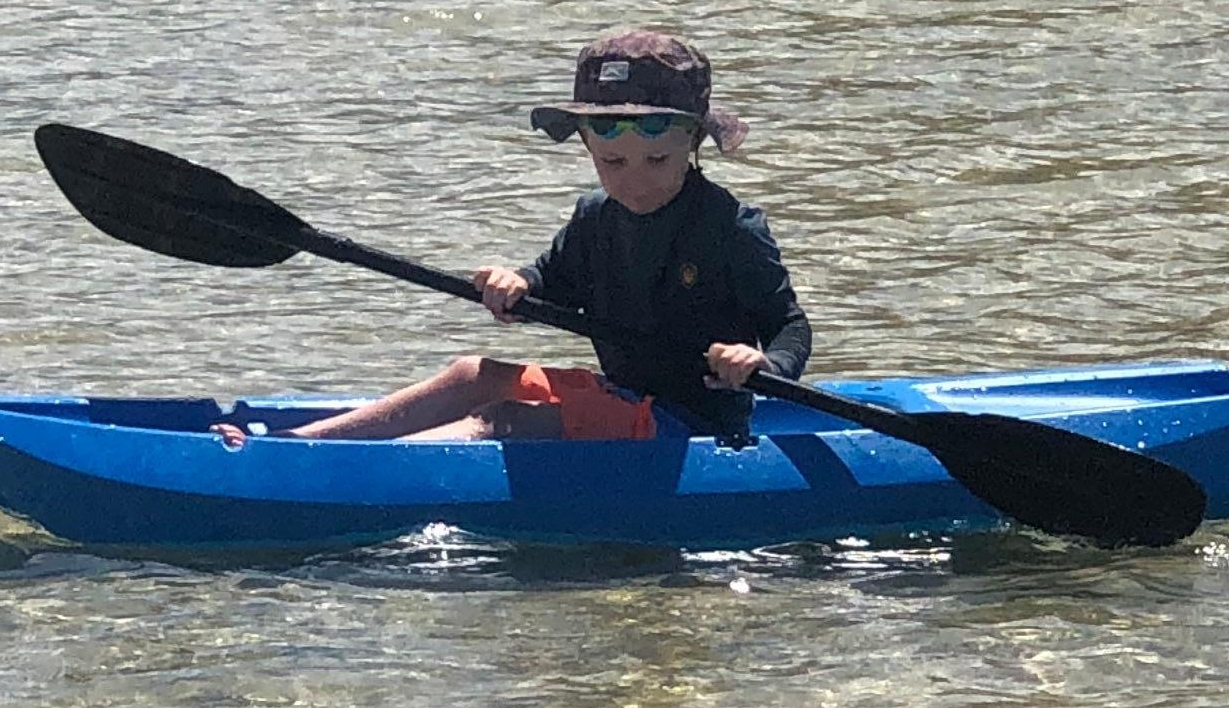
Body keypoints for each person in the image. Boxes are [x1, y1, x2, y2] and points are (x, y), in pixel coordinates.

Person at [229, 29, 810, 446]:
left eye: (656, 159)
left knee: (505, 417)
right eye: (612, 161)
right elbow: (549, 282)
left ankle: (335, 472)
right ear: (587, 147)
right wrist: (516, 283)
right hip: (621, 398)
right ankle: (297, 443)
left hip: (693, 424)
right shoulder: (594, 219)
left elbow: (791, 326)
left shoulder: (731, 227)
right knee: (470, 374)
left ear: (694, 143)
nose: (633, 180)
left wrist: (763, 363)